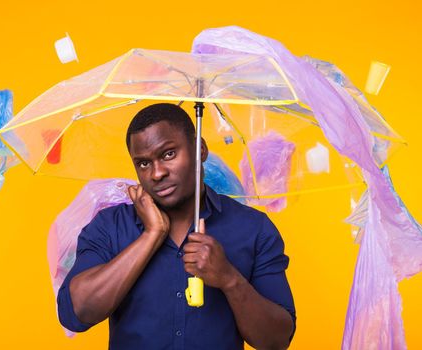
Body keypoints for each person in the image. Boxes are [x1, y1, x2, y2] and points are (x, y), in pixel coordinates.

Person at [57, 103, 296, 349]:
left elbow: (276, 341)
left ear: (200, 149)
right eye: (143, 163)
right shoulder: (110, 226)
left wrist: (229, 279)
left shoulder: (253, 229)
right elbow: (76, 314)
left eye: (168, 154)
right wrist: (151, 236)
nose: (157, 173)